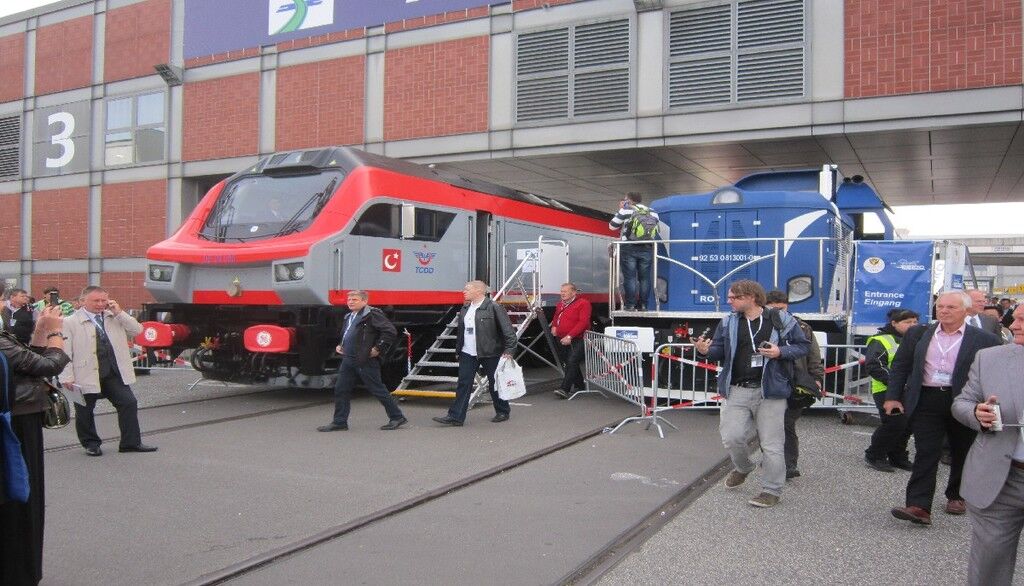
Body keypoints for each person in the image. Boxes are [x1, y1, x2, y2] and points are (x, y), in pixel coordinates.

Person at [886, 290, 1001, 525]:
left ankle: (957, 495)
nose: (944, 311)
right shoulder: (918, 333)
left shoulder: (983, 339)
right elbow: (900, 365)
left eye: (951, 307)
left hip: (964, 400)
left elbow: (994, 371)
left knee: (962, 449)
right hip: (927, 399)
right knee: (926, 451)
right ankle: (919, 505)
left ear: (966, 311)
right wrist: (893, 396)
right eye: (940, 307)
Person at [693, 280, 809, 508]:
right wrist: (706, 351)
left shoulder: (780, 319)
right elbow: (719, 350)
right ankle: (744, 467)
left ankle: (771, 490)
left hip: (770, 392)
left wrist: (780, 351)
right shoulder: (728, 322)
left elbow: (803, 346)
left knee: (772, 444)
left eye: (733, 297)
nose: (729, 301)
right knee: (731, 437)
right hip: (737, 389)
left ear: (751, 297)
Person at [951, 304, 1024, 586]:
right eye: (1015, 319)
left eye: (1021, 321)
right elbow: (963, 402)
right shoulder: (989, 358)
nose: (1013, 326)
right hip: (1000, 478)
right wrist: (976, 413)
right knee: (989, 565)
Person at [0, 305, 69, 585]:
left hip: (19, 419)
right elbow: (48, 365)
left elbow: (26, 363)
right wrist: (54, 332)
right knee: (19, 499)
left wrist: (40, 331)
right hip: (15, 423)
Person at [60, 286, 157, 456]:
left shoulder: (114, 316)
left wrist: (120, 313)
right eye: (96, 301)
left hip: (112, 371)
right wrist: (66, 376)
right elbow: (65, 351)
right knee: (85, 409)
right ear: (83, 301)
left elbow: (137, 330)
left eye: (103, 300)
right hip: (85, 371)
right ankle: (91, 443)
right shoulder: (70, 322)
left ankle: (130, 443)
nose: (100, 304)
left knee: (128, 402)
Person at [317, 291, 406, 432]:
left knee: (377, 389)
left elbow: (390, 331)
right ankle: (339, 422)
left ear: (364, 301)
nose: (350, 302)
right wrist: (341, 345)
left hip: (365, 359)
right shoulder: (349, 316)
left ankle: (397, 416)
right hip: (349, 358)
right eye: (349, 299)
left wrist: (378, 348)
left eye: (355, 299)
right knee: (341, 389)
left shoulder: (372, 315)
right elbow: (348, 333)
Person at [433, 281, 516, 426]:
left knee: (495, 382)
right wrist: (459, 350)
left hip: (490, 352)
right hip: (467, 352)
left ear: (478, 291)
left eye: (467, 289)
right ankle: (456, 417)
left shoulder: (494, 307)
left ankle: (502, 411)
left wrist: (509, 350)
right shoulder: (465, 308)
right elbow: (462, 332)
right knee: (464, 383)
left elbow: (508, 331)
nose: (464, 291)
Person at [764, 290, 823, 480]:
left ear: (787, 306)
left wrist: (817, 377)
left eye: (781, 308)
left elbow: (813, 354)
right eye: (773, 308)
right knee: (769, 425)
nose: (777, 312)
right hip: (770, 382)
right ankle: (771, 458)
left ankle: (789, 464)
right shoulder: (760, 325)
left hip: (795, 382)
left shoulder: (802, 327)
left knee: (787, 424)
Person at [863, 308, 920, 472]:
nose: (912, 325)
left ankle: (897, 456)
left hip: (910, 390)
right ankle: (875, 454)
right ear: (894, 323)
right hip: (885, 389)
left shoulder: (916, 339)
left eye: (915, 322)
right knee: (894, 423)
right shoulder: (881, 340)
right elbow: (874, 365)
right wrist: (897, 384)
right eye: (907, 322)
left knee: (907, 425)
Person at [609, 192, 659, 311]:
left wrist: (621, 210)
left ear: (629, 200)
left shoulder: (626, 210)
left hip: (629, 247)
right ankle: (643, 305)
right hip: (647, 247)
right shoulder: (653, 211)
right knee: (645, 278)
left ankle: (630, 305)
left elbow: (612, 226)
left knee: (630, 277)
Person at [550, 282, 591, 399]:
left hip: (578, 338)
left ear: (573, 292)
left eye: (565, 291)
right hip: (561, 338)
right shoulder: (560, 304)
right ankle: (580, 385)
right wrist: (554, 326)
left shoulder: (583, 303)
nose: (562, 293)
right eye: (561, 291)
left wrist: (570, 336)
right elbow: (556, 316)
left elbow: (583, 322)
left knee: (572, 360)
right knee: (570, 362)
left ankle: (564, 389)